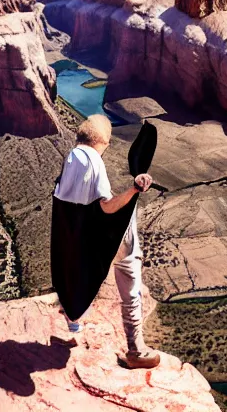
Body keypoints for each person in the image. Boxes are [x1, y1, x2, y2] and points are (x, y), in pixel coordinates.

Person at [53, 114, 161, 369]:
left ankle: (73, 323)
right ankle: (136, 351)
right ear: (104, 140)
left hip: (83, 236)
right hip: (112, 238)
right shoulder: (93, 161)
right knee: (130, 288)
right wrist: (134, 189)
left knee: (77, 273)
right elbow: (107, 207)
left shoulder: (71, 157)